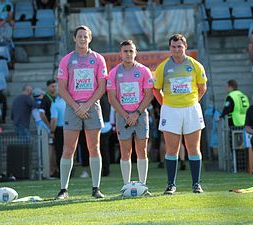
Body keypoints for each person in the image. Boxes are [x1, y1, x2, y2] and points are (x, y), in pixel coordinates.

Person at [56, 25, 108, 199]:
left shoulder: (99, 59)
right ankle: (63, 189)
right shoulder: (66, 60)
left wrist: (87, 105)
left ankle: (96, 188)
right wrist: (77, 106)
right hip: (73, 108)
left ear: (90, 39)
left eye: (86, 36)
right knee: (68, 148)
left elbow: (102, 87)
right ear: (74, 38)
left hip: (92, 107)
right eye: (80, 36)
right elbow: (62, 89)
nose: (83, 39)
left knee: (94, 148)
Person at [153, 34, 207, 195]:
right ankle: (171, 185)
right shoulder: (163, 67)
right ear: (170, 48)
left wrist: (192, 102)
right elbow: (156, 89)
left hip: (191, 109)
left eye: (180, 46)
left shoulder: (195, 65)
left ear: (185, 47)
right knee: (172, 149)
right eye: (174, 47)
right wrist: (165, 104)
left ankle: (196, 184)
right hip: (170, 110)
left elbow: (202, 87)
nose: (177, 50)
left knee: (193, 148)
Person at [107, 40, 153, 187]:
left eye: (131, 51)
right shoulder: (114, 72)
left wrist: (136, 113)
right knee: (125, 152)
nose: (128, 54)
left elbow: (149, 95)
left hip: (140, 115)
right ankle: (126, 185)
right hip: (122, 116)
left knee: (142, 151)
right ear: (121, 53)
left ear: (135, 53)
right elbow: (111, 98)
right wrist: (127, 116)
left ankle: (143, 184)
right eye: (125, 51)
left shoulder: (144, 71)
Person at [50, 96, 66, 177]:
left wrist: (52, 131)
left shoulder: (55, 104)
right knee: (69, 151)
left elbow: (54, 120)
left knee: (59, 152)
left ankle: (61, 172)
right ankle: (69, 171)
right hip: (70, 128)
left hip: (59, 129)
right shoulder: (67, 102)